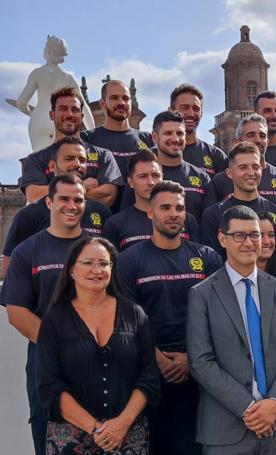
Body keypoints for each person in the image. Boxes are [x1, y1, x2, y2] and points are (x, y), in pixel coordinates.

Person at [187, 205, 276, 455]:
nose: (249, 242)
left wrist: (274, 404)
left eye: (255, 235)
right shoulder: (202, 294)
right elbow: (200, 362)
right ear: (222, 238)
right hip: (226, 430)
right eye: (239, 235)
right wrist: (250, 408)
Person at [117, 181, 222, 455]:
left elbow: (219, 315)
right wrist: (160, 360)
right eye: (165, 208)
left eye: (179, 208)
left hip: (200, 371)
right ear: (150, 213)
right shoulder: (129, 260)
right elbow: (127, 321)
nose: (174, 214)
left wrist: (192, 359)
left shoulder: (207, 257)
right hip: (149, 372)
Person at [37, 237, 159, 454]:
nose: (97, 269)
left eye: (104, 263)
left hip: (128, 435)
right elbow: (49, 385)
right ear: (72, 270)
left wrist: (121, 424)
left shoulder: (134, 314)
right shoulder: (54, 320)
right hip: (70, 438)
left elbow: (149, 378)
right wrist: (95, 428)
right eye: (88, 263)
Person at [0, 174, 90, 455]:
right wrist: (62, 347)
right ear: (49, 202)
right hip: (46, 359)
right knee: (46, 430)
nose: (71, 205)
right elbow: (17, 311)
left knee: (95, 436)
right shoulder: (27, 250)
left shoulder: (100, 250)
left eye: (78, 200)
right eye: (64, 199)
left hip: (97, 359)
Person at [3, 137, 112, 276]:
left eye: (82, 160)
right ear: (52, 167)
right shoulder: (28, 215)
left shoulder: (101, 211)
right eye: (69, 158)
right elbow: (9, 270)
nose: (77, 164)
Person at [21, 86, 122, 206]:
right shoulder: (36, 159)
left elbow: (108, 196)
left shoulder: (104, 156)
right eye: (63, 109)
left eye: (75, 110)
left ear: (82, 116)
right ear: (52, 114)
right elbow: (35, 196)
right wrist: (82, 186)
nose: (69, 114)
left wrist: (55, 192)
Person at [201, 141, 276, 267]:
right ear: (229, 173)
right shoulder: (213, 214)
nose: (251, 173)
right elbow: (212, 263)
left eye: (255, 167)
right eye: (243, 167)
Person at [102, 150, 199, 251]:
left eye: (156, 175)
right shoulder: (115, 224)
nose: (151, 182)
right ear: (131, 182)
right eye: (143, 176)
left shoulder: (187, 220)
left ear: (162, 177)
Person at [11, 35, 94, 152]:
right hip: (60, 121)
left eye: (46, 46)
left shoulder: (38, 73)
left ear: (51, 50)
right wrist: (93, 133)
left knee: (41, 163)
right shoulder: (68, 77)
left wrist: (29, 112)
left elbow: (21, 103)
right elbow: (83, 106)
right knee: (62, 163)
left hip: (39, 122)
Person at [205, 114, 276, 210]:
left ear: (267, 141)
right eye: (251, 135)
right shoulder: (219, 182)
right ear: (237, 142)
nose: (258, 140)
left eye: (262, 136)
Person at [81, 80, 153, 180]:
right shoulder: (86, 138)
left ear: (131, 103)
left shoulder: (147, 139)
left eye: (126, 98)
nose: (121, 103)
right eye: (114, 98)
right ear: (102, 103)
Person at [145, 110, 210, 220]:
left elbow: (208, 221)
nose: (175, 139)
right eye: (168, 133)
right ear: (155, 137)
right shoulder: (144, 176)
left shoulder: (202, 178)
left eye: (180, 133)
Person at [169, 83, 227, 177]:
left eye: (196, 109)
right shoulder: (157, 154)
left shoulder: (217, 156)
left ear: (201, 113)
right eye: (184, 108)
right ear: (171, 111)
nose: (191, 114)